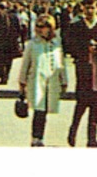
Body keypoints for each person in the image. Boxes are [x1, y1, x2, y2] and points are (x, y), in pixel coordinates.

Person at [64, 0, 97, 147]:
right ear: (82, 8)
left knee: (96, 103)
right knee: (81, 101)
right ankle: (73, 131)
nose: (90, 11)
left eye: (92, 7)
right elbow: (69, 46)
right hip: (83, 68)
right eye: (87, 8)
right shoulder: (76, 26)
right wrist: (83, 49)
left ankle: (92, 138)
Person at [17, 14, 68, 146]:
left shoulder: (57, 43)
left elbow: (61, 63)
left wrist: (64, 81)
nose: (40, 29)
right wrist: (22, 83)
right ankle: (36, 138)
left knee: (45, 110)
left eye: (43, 26)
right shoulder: (33, 44)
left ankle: (40, 136)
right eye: (38, 26)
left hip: (52, 81)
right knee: (39, 110)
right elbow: (25, 65)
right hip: (36, 81)